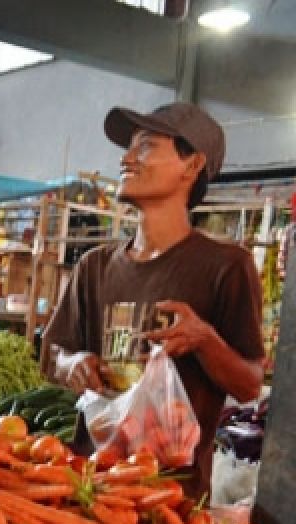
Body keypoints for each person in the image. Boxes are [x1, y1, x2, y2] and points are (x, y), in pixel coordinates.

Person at [42, 102, 265, 499]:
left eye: (145, 146)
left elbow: (249, 384)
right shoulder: (94, 266)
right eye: (128, 148)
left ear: (192, 165)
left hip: (171, 499)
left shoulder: (227, 266)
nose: (127, 159)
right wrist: (72, 363)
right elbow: (52, 354)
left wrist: (203, 339)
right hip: (89, 485)